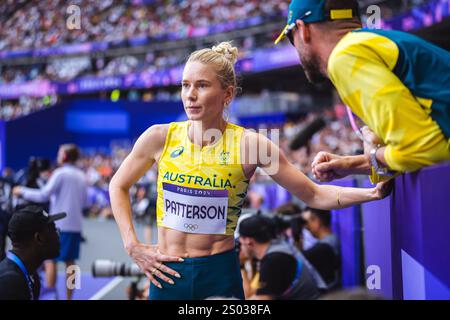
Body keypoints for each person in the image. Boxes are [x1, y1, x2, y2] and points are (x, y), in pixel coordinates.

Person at [109, 41, 391, 300]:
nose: (190, 95)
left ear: (227, 94)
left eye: (202, 85)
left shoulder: (251, 145)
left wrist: (371, 194)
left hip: (218, 274)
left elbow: (314, 195)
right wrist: (131, 244)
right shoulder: (159, 137)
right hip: (167, 275)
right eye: (185, 85)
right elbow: (118, 185)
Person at [275, 0, 450, 183]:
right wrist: (356, 163)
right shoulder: (370, 44)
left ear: (302, 29)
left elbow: (426, 149)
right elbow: (411, 153)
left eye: (290, 37)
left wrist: (373, 155)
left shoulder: (346, 56)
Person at [12, 144, 88, 300]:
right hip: (76, 225)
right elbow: (85, 202)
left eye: (60, 153)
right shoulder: (81, 175)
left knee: (50, 260)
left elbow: (43, 195)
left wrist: (21, 191)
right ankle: (69, 298)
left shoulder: (60, 173)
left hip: (60, 224)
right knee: (71, 264)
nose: (58, 155)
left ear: (65, 156)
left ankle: (51, 296)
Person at [238, 214, 320, 300]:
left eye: (239, 241)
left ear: (248, 241)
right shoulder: (279, 248)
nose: (240, 246)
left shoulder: (273, 260)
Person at [0, 205, 65, 300]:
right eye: (54, 230)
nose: (58, 236)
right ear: (39, 238)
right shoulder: (9, 283)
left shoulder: (31, 276)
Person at [302, 208, 341, 290]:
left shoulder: (324, 247)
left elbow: (299, 260)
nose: (306, 227)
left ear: (317, 221)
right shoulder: (331, 240)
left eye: (306, 222)